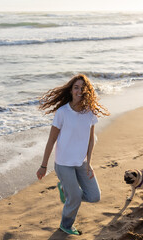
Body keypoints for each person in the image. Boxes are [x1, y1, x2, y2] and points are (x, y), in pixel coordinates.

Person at [36, 74, 109, 235]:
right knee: (75, 197)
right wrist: (43, 165)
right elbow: (51, 140)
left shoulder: (90, 112)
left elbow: (91, 140)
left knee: (94, 196)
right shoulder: (62, 112)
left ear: (88, 91)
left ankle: (67, 191)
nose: (79, 91)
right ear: (70, 90)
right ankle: (66, 225)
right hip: (63, 164)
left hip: (81, 162)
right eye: (76, 87)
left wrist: (89, 162)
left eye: (83, 88)